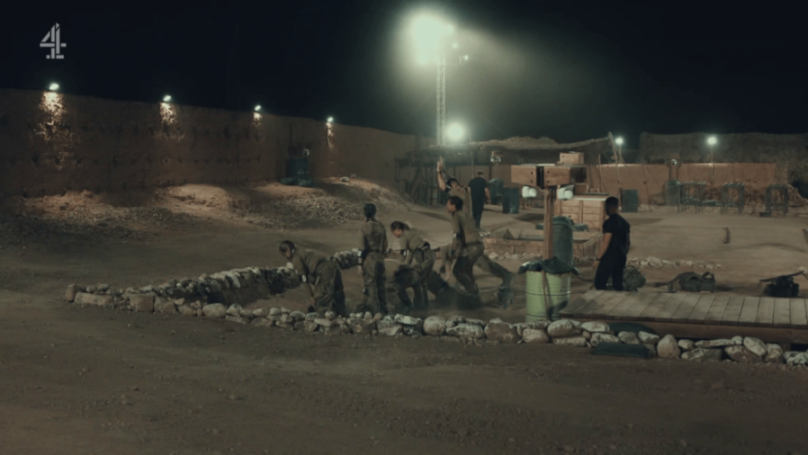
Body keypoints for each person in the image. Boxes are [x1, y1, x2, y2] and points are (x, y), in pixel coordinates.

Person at [279, 240, 347, 316]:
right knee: (337, 293)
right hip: (333, 265)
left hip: (324, 270)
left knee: (321, 299)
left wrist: (310, 296)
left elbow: (303, 278)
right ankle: (343, 315)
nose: (285, 257)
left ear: (288, 250)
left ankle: (323, 320)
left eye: (284, 254)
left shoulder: (296, 258)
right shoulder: (303, 251)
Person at [390, 221, 435, 310]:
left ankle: (418, 307)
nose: (393, 234)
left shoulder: (403, 236)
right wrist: (404, 266)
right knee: (422, 282)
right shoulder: (412, 236)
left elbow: (403, 253)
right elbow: (409, 257)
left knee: (417, 280)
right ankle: (425, 305)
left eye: (393, 231)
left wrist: (396, 266)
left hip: (423, 254)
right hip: (430, 255)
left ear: (398, 230)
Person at [593, 196, 631, 291]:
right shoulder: (624, 223)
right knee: (618, 283)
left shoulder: (609, 223)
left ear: (609, 207)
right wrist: (624, 253)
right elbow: (628, 242)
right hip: (621, 256)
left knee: (599, 283)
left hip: (610, 257)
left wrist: (598, 259)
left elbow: (606, 242)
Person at [357, 203, 389, 314]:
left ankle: (375, 311)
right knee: (381, 284)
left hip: (370, 258)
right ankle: (385, 310)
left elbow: (362, 247)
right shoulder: (381, 226)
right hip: (380, 257)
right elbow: (385, 245)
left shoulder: (364, 227)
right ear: (375, 212)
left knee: (370, 285)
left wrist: (359, 264)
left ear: (365, 213)